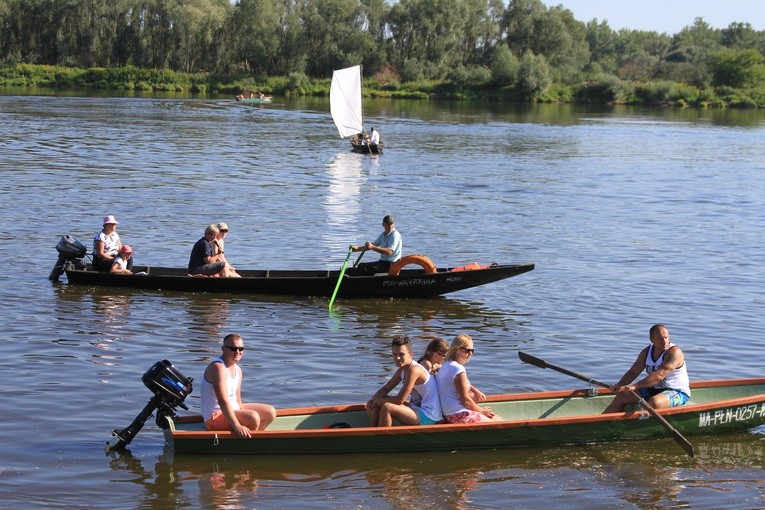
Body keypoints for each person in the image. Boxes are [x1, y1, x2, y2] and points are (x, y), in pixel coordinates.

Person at [200, 333, 276, 437]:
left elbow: (238, 400)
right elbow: (223, 401)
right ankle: (245, 442)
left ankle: (252, 436)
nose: (237, 352)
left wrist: (242, 415)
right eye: (233, 348)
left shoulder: (238, 370)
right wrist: (237, 426)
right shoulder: (218, 367)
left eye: (241, 349)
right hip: (214, 416)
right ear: (223, 349)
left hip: (233, 410)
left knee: (270, 412)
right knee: (253, 417)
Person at [603, 324, 690, 414]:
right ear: (652, 340)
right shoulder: (646, 352)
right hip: (654, 389)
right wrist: (619, 384)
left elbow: (659, 376)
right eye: (660, 339)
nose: (665, 342)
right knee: (621, 396)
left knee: (655, 402)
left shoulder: (674, 352)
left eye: (666, 337)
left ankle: (639, 424)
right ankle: (603, 422)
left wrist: (635, 386)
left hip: (677, 391)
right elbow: (633, 372)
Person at [366, 335, 442, 427]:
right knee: (377, 402)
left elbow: (399, 400)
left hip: (430, 415)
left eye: (401, 354)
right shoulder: (401, 371)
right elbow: (386, 388)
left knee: (387, 407)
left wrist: (377, 401)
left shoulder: (414, 370)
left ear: (410, 354)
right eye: (394, 354)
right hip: (417, 409)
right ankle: (372, 433)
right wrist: (373, 400)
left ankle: (382, 439)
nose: (397, 358)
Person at [436, 334, 501, 423]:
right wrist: (482, 411)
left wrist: (475, 391)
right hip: (459, 415)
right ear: (456, 349)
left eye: (472, 351)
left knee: (493, 416)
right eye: (467, 350)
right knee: (496, 419)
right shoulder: (458, 369)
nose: (470, 353)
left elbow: (459, 386)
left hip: (449, 415)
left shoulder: (445, 365)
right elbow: (465, 400)